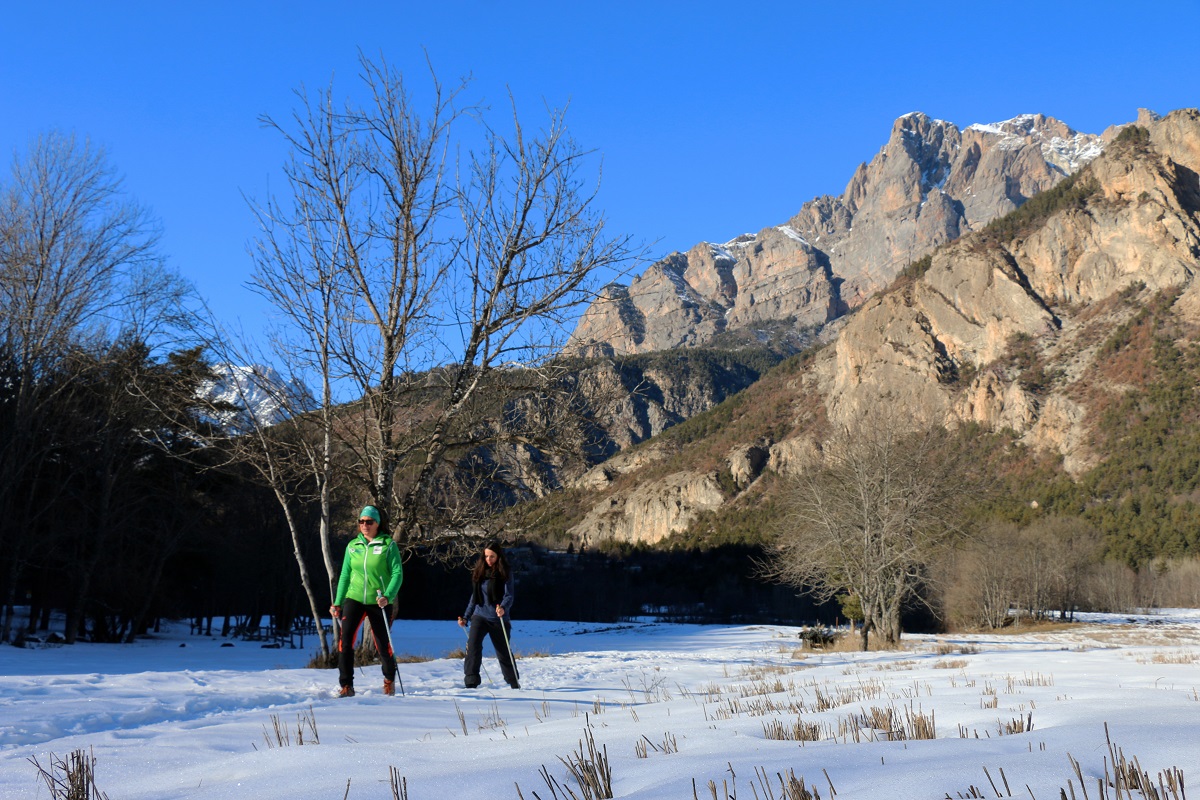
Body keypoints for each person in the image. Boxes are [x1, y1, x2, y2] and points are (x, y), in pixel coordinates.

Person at [330, 505, 403, 697]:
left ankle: (388, 679)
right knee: (345, 642)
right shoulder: (353, 546)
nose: (364, 525)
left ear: (377, 524)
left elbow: (397, 573)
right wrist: (337, 602)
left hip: (378, 600)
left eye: (369, 521)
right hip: (354, 598)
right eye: (361, 521)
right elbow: (345, 574)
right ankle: (347, 685)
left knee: (381, 643)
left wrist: (388, 596)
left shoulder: (388, 545)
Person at [457, 543, 519, 689]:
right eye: (486, 556)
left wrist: (503, 608)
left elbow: (509, 595)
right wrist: (466, 617)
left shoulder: (505, 572)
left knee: (503, 652)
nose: (489, 559)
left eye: (492, 556)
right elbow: (474, 597)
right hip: (479, 616)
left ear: (498, 557)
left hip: (498, 618)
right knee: (472, 646)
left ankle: (513, 681)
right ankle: (471, 681)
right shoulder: (480, 571)